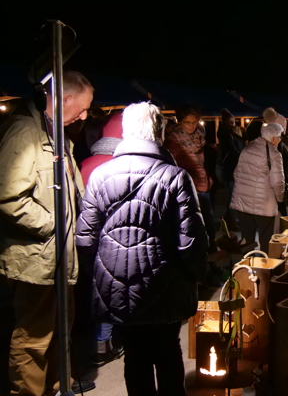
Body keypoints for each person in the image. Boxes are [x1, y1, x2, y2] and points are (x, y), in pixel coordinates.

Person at [76, 102, 208, 396]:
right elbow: (192, 241)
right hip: (167, 283)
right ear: (159, 133)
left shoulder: (100, 175)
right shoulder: (175, 177)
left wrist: (102, 274)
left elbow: (85, 239)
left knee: (135, 357)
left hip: (119, 287)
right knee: (167, 353)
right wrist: (196, 274)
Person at [0, 71, 95, 395]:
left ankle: (58, 384)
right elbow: (9, 197)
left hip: (57, 257)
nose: (85, 116)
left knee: (59, 329)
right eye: (82, 108)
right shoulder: (24, 132)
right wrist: (55, 224)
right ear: (64, 98)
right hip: (36, 260)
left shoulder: (55, 134)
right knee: (33, 338)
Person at [79, 112, 126, 368]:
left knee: (93, 290)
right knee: (115, 292)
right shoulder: (119, 166)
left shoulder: (85, 163)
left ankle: (97, 343)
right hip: (114, 239)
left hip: (84, 236)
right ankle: (108, 341)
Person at [164, 105, 218, 253]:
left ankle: (211, 258)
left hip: (204, 184)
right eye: (187, 122)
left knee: (209, 224)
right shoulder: (173, 139)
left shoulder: (199, 135)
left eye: (194, 122)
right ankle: (200, 259)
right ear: (180, 122)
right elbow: (170, 164)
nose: (192, 126)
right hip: (187, 186)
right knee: (192, 225)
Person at [230, 123, 285, 253]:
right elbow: (277, 182)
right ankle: (265, 268)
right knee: (266, 239)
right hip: (264, 204)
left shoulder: (248, 148)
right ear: (273, 139)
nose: (280, 140)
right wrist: (280, 198)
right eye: (279, 137)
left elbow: (236, 173)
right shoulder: (274, 153)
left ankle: (245, 269)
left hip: (243, 202)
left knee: (247, 240)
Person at [263, 108, 288, 216]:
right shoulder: (280, 145)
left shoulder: (263, 144)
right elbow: (285, 168)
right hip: (282, 186)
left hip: (270, 187)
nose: (285, 128)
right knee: (287, 215)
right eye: (283, 125)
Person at [217, 108, 244, 230]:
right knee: (233, 196)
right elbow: (234, 151)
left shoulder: (227, 134)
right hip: (232, 168)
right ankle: (230, 221)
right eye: (232, 122)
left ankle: (230, 220)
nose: (234, 124)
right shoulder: (228, 135)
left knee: (232, 196)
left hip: (231, 168)